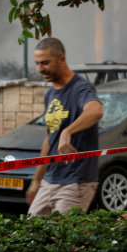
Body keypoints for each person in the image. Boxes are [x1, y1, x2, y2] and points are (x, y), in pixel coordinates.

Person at [26, 37, 105, 216]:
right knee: (31, 236)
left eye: (45, 63)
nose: (40, 69)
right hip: (50, 180)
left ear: (62, 59)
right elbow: (49, 138)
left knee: (63, 239)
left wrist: (68, 131)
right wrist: (37, 180)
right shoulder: (50, 94)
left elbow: (96, 111)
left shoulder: (80, 88)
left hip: (76, 181)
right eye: (37, 63)